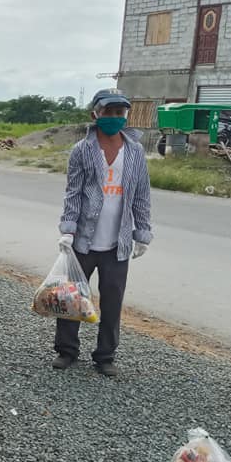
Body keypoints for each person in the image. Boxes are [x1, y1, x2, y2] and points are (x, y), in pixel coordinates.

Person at [52, 89, 153, 376]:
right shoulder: (82, 150)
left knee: (112, 301)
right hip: (83, 241)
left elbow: (141, 194)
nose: (114, 117)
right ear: (95, 114)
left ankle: (105, 355)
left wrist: (142, 232)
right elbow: (73, 192)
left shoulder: (134, 151)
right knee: (72, 297)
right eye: (108, 112)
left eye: (120, 113)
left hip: (117, 243)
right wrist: (68, 229)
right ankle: (66, 350)